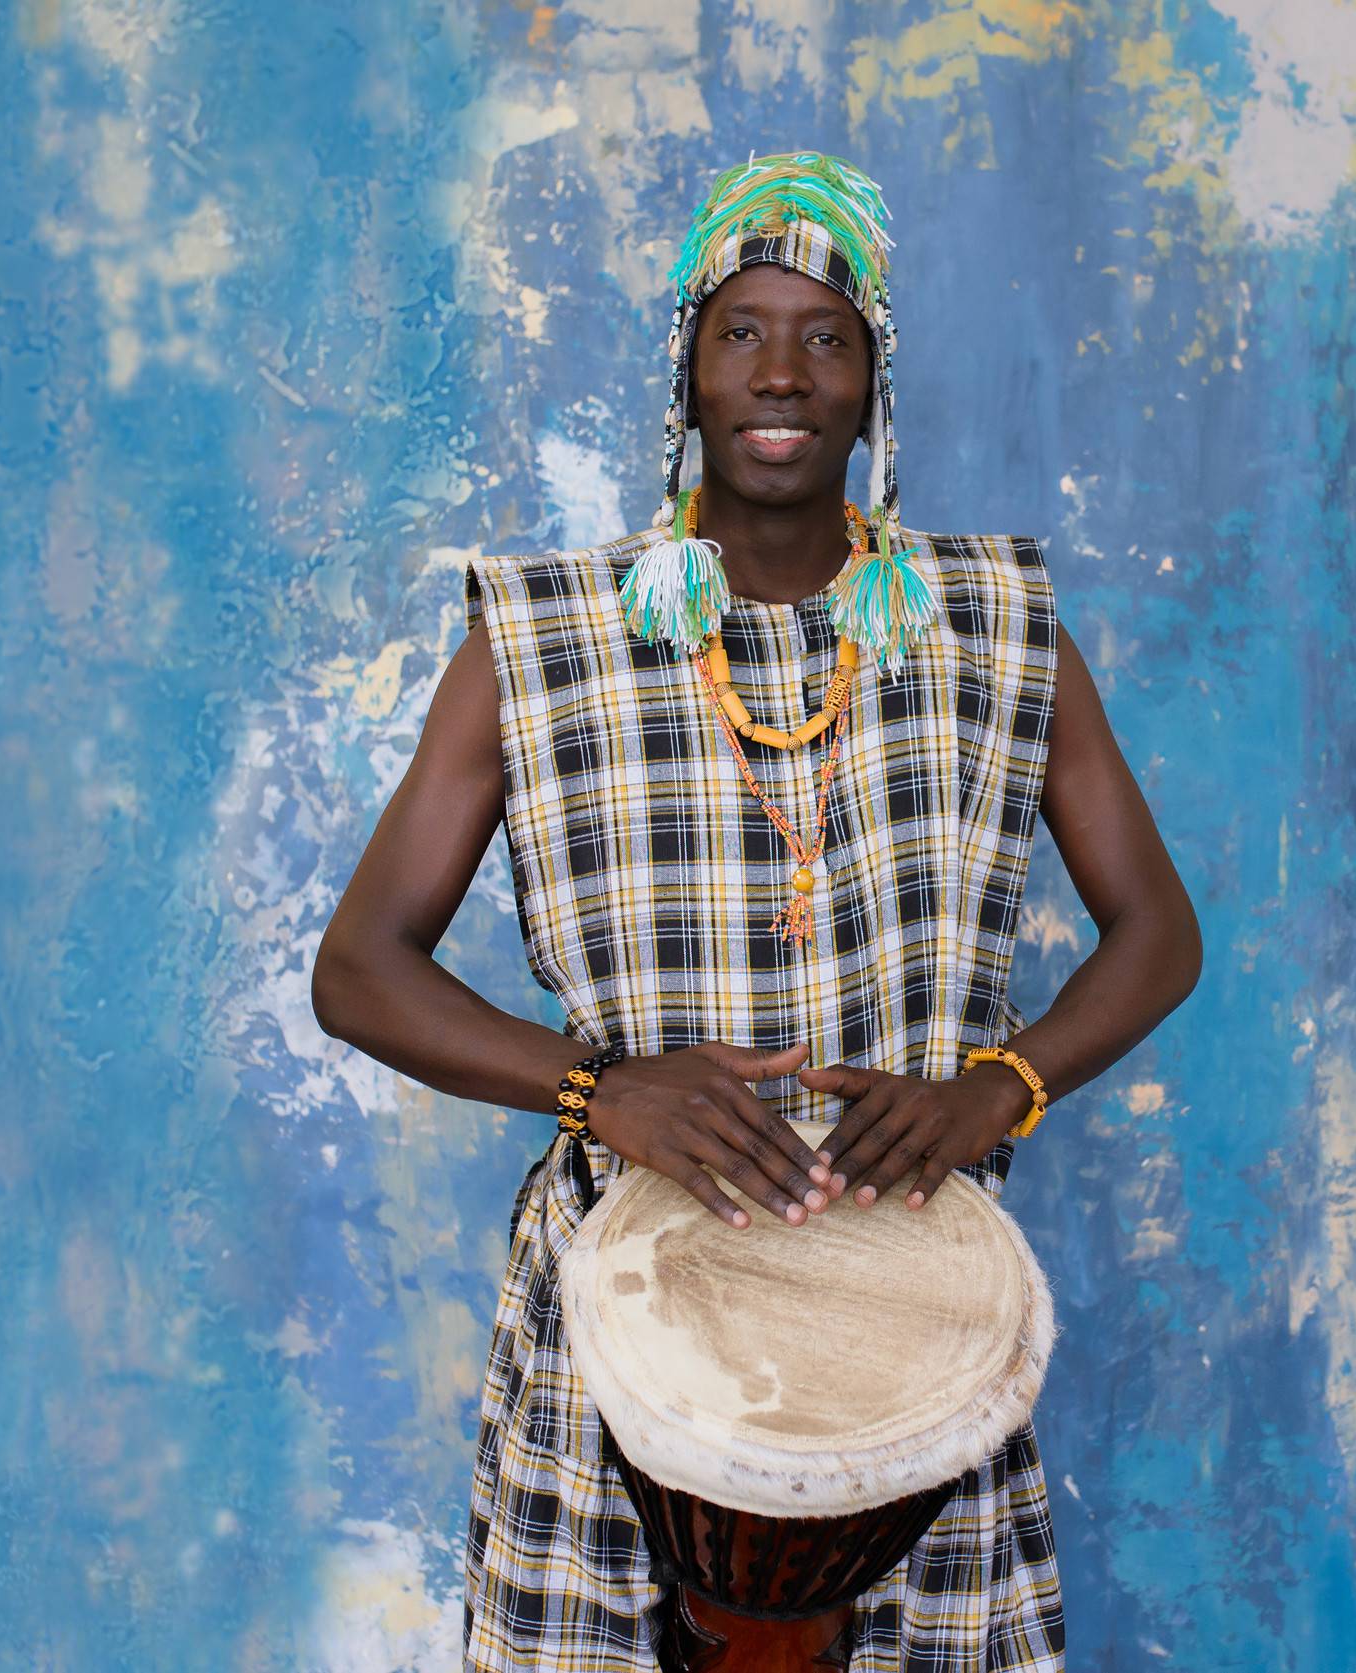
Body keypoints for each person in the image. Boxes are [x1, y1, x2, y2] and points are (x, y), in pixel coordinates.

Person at [311, 149, 1202, 1671]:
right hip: (632, 1312)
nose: (781, 371)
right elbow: (358, 969)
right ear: (689, 368)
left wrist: (1003, 1083)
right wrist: (599, 1089)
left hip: (907, 1317)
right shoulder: (543, 636)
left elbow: (1159, 930)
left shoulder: (993, 620)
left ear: (873, 381)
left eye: (825, 334)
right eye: (741, 331)